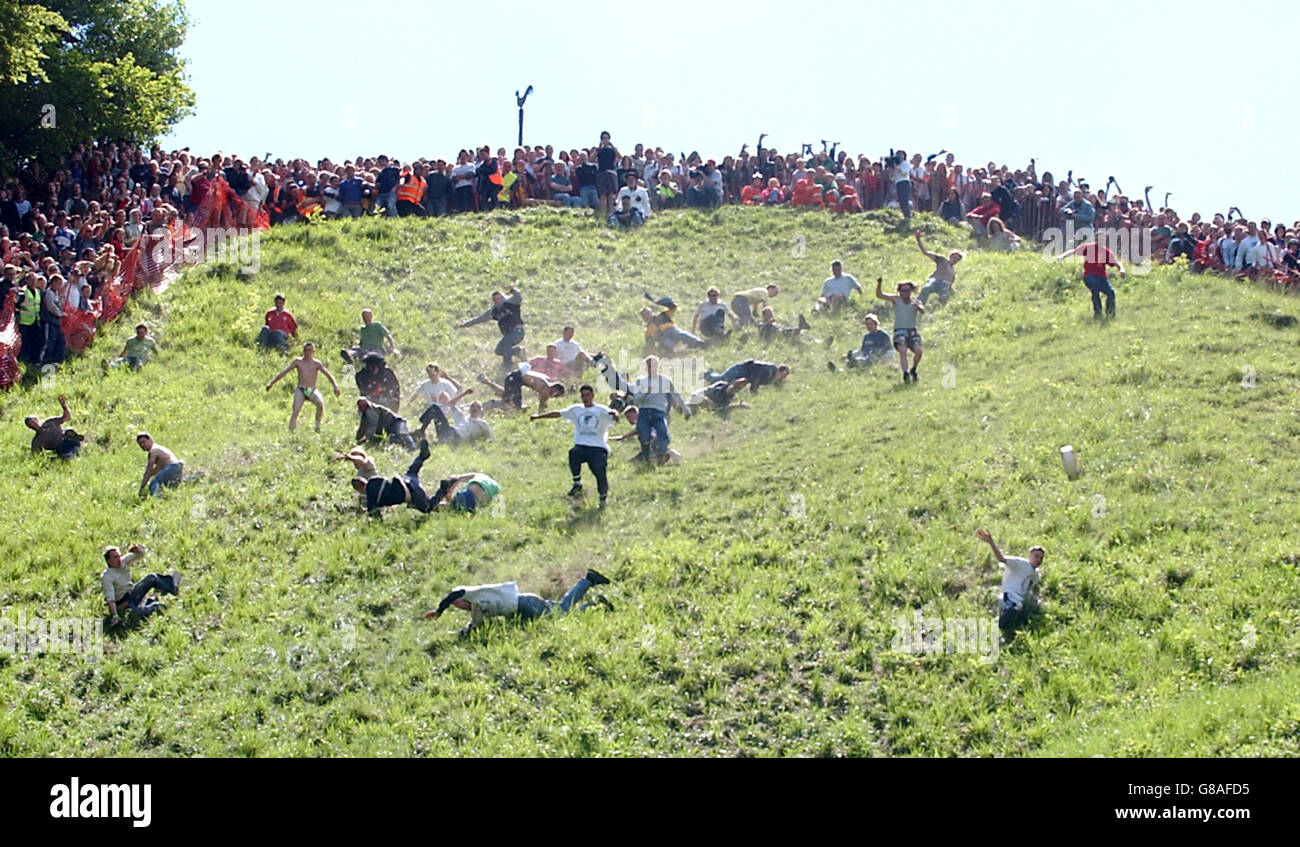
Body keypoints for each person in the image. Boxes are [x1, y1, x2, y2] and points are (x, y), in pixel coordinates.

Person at [423, 569, 612, 636]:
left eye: (458, 604)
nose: (460, 608)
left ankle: (592, 591)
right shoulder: (477, 608)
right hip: (524, 609)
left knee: (561, 613)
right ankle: (591, 591)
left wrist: (441, 610)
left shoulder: (474, 595)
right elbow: (475, 625)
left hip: (525, 604)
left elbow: (456, 592)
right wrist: (460, 633)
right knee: (559, 613)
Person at [531, 384, 619, 508]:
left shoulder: (601, 410)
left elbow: (614, 418)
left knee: (600, 472)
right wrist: (539, 416)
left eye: (587, 395)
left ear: (593, 396)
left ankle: (603, 498)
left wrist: (615, 414)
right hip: (581, 446)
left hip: (598, 447)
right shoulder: (576, 409)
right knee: (574, 453)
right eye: (583, 395)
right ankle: (577, 483)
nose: (585, 398)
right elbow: (558, 413)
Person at [594, 353, 691, 463]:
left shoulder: (665, 381)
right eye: (649, 366)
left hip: (659, 414)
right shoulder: (642, 382)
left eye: (653, 366)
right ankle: (655, 456)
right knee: (647, 436)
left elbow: (676, 395)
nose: (651, 369)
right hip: (647, 412)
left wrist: (685, 409)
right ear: (646, 367)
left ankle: (659, 455)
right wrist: (606, 367)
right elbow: (626, 389)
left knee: (657, 435)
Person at [975, 528, 1043, 631]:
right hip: (1009, 596)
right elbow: (1001, 559)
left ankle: (1012, 623)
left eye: (1041, 558)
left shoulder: (1036, 574)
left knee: (1023, 607)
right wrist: (991, 543)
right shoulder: (1020, 564)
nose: (1038, 560)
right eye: (1036, 556)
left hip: (1020, 600)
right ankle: (999, 624)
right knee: (1015, 606)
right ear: (1029, 556)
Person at [266, 342, 342, 432]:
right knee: (296, 409)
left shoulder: (316, 363)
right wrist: (271, 383)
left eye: (309, 350)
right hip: (301, 389)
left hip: (312, 389)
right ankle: (291, 431)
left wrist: (335, 386)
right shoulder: (298, 362)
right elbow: (284, 372)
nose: (307, 352)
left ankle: (317, 426)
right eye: (306, 350)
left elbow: (328, 374)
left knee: (320, 403)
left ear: (313, 351)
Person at [349, 437, 435, 516]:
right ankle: (421, 457)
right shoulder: (374, 480)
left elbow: (375, 515)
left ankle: (444, 487)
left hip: (411, 493)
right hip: (407, 480)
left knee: (428, 507)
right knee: (412, 471)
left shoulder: (371, 497)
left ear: (359, 489)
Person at [100, 543, 181, 627]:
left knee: (151, 577)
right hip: (124, 603)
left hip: (132, 593)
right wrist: (115, 616)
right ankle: (154, 606)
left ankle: (172, 586)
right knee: (136, 614)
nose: (119, 559)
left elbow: (141, 554)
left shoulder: (124, 561)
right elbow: (110, 600)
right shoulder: (106, 577)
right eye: (115, 557)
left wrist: (138, 549)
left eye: (119, 556)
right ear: (109, 561)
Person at [1055, 233, 1126, 319]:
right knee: (1095, 288)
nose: (1101, 241)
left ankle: (1110, 314)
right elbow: (1074, 251)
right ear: (1096, 240)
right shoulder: (1089, 247)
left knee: (1111, 292)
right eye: (1099, 239)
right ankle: (1098, 313)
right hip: (1089, 276)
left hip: (1102, 277)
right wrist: (1062, 256)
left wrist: (1122, 269)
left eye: (1102, 240)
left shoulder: (1106, 252)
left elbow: (1115, 262)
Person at [457, 285, 525, 372]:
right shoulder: (494, 311)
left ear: (502, 298)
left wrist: (513, 290)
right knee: (499, 350)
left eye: (498, 299)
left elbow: (518, 297)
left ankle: (508, 366)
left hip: (518, 331)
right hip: (508, 335)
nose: (497, 301)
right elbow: (480, 318)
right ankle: (518, 351)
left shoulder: (511, 303)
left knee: (506, 343)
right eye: (495, 300)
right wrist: (465, 324)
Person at [875, 276, 925, 383]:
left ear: (911, 291)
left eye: (907, 290)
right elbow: (880, 295)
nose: (905, 293)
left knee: (919, 351)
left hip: (912, 331)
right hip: (900, 330)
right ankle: (905, 373)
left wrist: (919, 307)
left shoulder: (915, 301)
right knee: (902, 350)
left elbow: (922, 310)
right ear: (900, 292)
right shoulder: (896, 300)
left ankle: (914, 369)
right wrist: (879, 284)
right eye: (902, 291)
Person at [476, 365, 565, 412]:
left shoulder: (546, 380)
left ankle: (486, 381)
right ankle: (488, 405)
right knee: (514, 406)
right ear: (555, 390)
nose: (554, 397)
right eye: (556, 395)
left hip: (516, 376)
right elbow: (542, 406)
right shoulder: (546, 389)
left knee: (508, 396)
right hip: (516, 378)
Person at [641, 293, 706, 352]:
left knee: (680, 334)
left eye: (647, 313)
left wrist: (660, 302)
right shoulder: (648, 331)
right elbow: (650, 344)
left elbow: (673, 307)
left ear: (651, 313)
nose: (647, 316)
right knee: (667, 343)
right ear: (643, 318)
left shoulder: (662, 315)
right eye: (644, 315)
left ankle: (699, 343)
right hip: (663, 338)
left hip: (671, 330)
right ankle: (682, 351)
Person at [914, 230, 964, 306]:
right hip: (935, 280)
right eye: (954, 257)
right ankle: (919, 305)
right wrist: (918, 240)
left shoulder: (953, 272)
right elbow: (925, 252)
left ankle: (939, 309)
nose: (955, 260)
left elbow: (950, 285)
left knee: (944, 295)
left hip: (945, 284)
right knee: (926, 289)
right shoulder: (942, 260)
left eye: (957, 259)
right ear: (950, 256)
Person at [25, 394, 83, 458]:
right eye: (31, 424)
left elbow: (67, 417)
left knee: (69, 431)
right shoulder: (37, 441)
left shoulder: (50, 422)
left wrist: (64, 406)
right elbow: (35, 454)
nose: (34, 424)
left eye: (33, 421)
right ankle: (71, 453)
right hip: (61, 447)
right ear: (30, 428)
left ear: (37, 419)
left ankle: (79, 444)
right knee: (65, 450)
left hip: (67, 438)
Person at [418, 399, 492, 445]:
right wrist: (464, 394)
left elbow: (490, 438)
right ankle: (421, 431)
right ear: (469, 409)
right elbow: (451, 404)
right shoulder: (462, 417)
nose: (474, 408)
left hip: (458, 437)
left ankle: (442, 441)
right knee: (434, 407)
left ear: (481, 410)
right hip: (449, 430)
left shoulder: (482, 423)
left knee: (445, 440)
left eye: (477, 407)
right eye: (472, 406)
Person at [136, 433, 183, 498]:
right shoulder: (158, 449)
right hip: (177, 467)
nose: (142, 445)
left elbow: (149, 470)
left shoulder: (153, 451)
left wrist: (141, 488)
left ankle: (156, 499)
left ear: (150, 440)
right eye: (140, 444)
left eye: (143, 442)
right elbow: (159, 467)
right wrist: (148, 476)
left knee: (154, 483)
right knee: (171, 487)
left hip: (172, 466)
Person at [700, 359, 790, 392]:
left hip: (745, 377)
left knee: (728, 389)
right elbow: (755, 382)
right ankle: (707, 374)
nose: (782, 378)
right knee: (721, 379)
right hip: (740, 370)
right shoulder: (767, 370)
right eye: (782, 375)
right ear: (778, 370)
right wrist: (755, 393)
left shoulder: (774, 377)